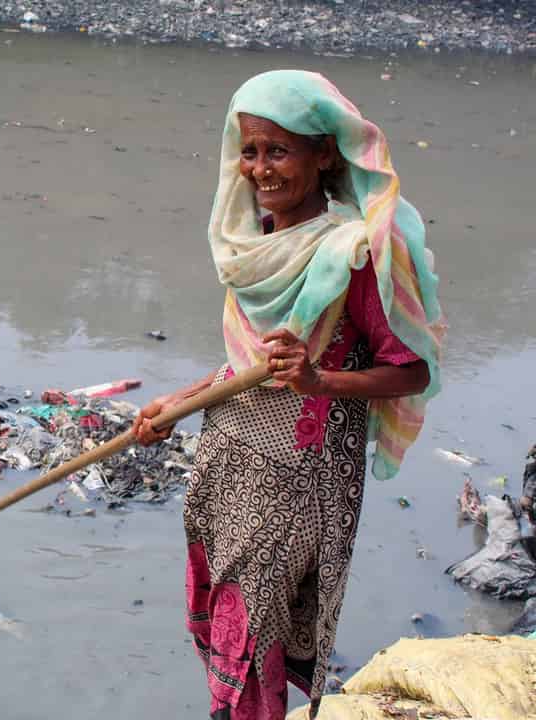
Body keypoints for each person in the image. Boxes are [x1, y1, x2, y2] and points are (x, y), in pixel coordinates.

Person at [132, 70, 445, 720]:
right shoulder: (256, 247)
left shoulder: (354, 256)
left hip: (295, 486)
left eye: (278, 150)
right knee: (229, 629)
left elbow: (412, 371)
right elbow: (242, 366)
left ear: (323, 154)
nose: (260, 169)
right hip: (227, 464)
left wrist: (319, 381)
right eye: (250, 151)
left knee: (253, 640)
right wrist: (174, 405)